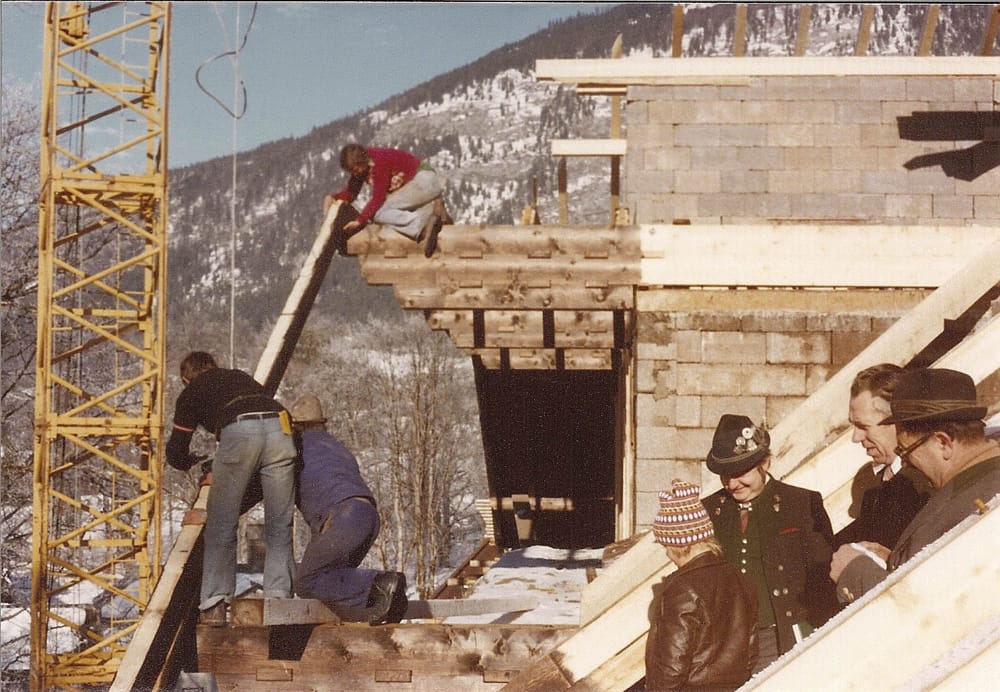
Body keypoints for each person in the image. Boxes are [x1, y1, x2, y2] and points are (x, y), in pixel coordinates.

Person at [830, 368, 1000, 603]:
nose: (906, 462)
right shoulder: (978, 486)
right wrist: (893, 562)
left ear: (943, 443)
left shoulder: (976, 506)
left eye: (906, 451)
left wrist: (855, 571)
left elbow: (931, 610)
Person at [165, 351, 297, 626]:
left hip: (239, 433)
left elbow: (176, 453)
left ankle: (214, 603)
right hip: (281, 429)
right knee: (279, 523)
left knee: (221, 525)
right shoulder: (239, 377)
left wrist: (202, 463)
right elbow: (259, 421)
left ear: (185, 378)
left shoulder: (192, 392)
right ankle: (279, 598)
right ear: (214, 366)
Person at [702, 414, 839, 671]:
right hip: (724, 642)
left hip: (780, 637)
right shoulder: (709, 510)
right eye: (724, 475)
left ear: (764, 462)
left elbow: (823, 578)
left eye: (740, 472)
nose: (732, 484)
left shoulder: (800, 504)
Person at [290, 394, 407, 625]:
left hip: (345, 515)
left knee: (307, 582)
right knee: (334, 578)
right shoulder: (336, 446)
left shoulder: (295, 447)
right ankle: (384, 603)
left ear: (296, 426)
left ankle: (382, 583)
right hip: (368, 515)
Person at [644, 479, 758, 691]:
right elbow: (750, 653)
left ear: (679, 544)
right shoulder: (740, 579)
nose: (667, 554)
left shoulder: (682, 589)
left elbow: (672, 667)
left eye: (666, 546)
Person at [834, 363, 933, 548]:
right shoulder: (878, 480)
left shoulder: (924, 484)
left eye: (864, 426)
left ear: (898, 422)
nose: (856, 438)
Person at [323, 143, 451, 258]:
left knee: (378, 213)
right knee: (382, 210)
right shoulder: (364, 168)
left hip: (424, 181)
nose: (355, 174)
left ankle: (421, 224)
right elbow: (351, 192)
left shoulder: (379, 162)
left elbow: (378, 198)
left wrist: (359, 221)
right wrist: (333, 197)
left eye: (356, 170)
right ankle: (431, 212)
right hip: (426, 182)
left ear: (361, 162)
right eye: (352, 171)